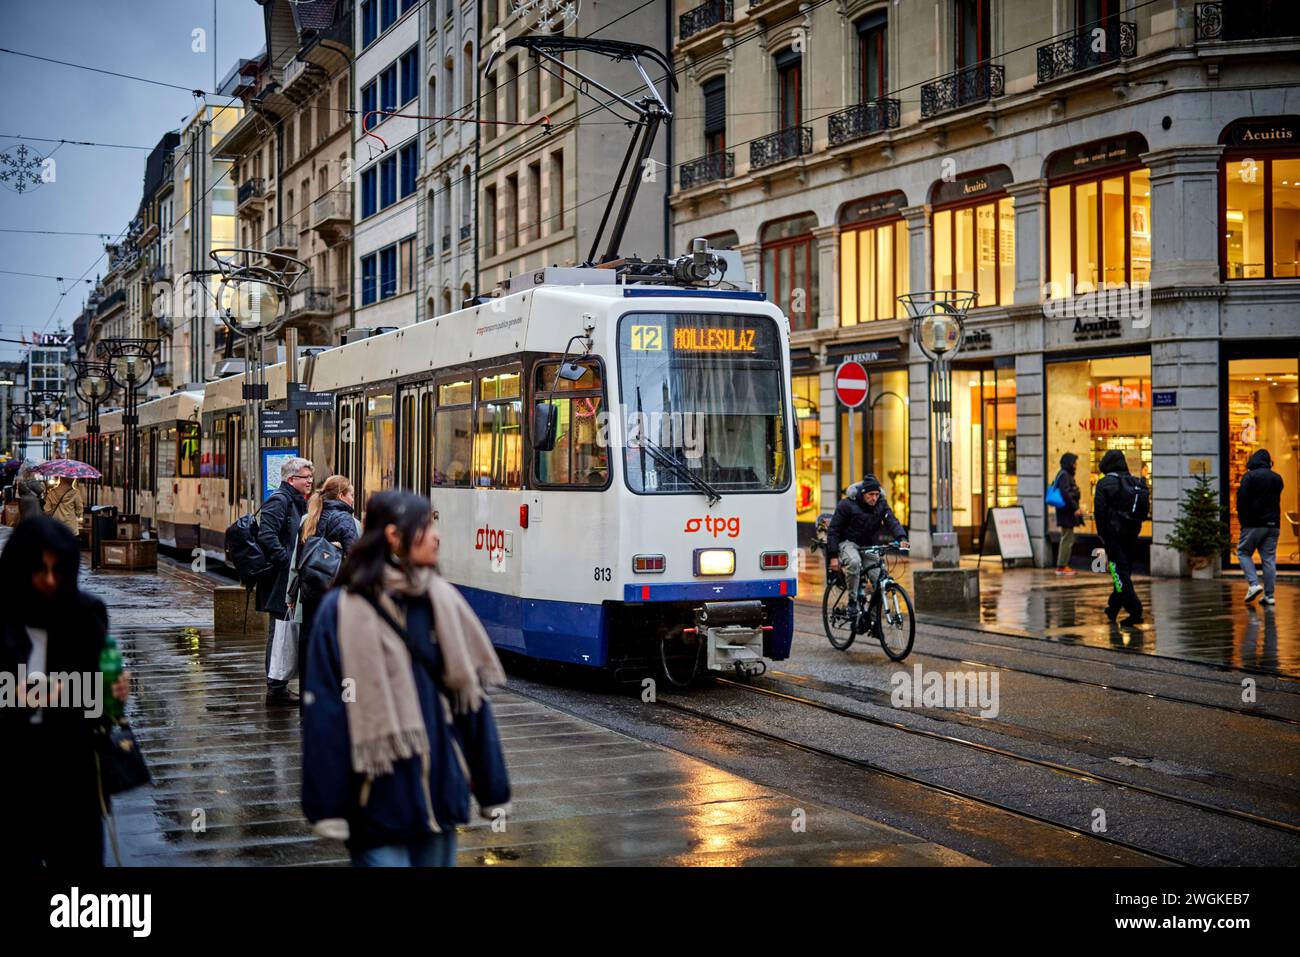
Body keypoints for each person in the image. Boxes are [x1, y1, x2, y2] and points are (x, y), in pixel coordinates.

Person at [302, 490, 510, 867]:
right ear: (395, 537)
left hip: (439, 796)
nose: (436, 535)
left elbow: (471, 704)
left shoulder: (442, 601)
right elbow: (325, 712)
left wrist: (493, 788)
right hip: (374, 799)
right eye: (425, 526)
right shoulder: (341, 610)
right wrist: (327, 804)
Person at [0, 517, 131, 867]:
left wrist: (113, 692)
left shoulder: (85, 614)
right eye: (39, 569)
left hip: (73, 776)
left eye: (58, 570)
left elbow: (96, 698)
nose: (49, 580)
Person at [286, 474, 361, 677]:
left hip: (309, 593)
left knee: (310, 646)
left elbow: (298, 561)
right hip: (334, 594)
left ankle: (307, 701)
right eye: (351, 494)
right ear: (341, 495)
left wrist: (291, 596)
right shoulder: (347, 520)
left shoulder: (309, 518)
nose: (354, 499)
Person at [257, 456, 313, 704]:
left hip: (288, 577)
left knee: (285, 628)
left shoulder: (296, 501)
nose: (310, 481)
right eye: (305, 477)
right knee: (278, 630)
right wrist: (288, 562)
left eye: (311, 477)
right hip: (279, 579)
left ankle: (279, 684)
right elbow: (266, 536)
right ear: (291, 479)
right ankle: (275, 687)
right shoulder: (279, 501)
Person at [827, 473, 909, 616]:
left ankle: (873, 618)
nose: (874, 498)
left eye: (877, 494)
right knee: (854, 562)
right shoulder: (846, 505)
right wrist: (833, 556)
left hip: (869, 545)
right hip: (848, 543)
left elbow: (891, 521)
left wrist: (902, 537)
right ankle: (852, 602)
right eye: (871, 494)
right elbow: (833, 530)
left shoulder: (881, 505)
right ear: (863, 493)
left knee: (879, 577)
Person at [1094, 449, 1145, 625]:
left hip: (1113, 536)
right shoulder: (1134, 481)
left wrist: (1102, 535)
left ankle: (1135, 610)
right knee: (1124, 572)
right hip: (1132, 533)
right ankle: (1113, 607)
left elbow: (1099, 513)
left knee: (1118, 572)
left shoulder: (1104, 484)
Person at [1236, 448, 1283, 606]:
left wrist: (1243, 521)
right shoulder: (1277, 478)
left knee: (1243, 552)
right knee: (1269, 559)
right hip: (1273, 524)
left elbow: (1241, 500)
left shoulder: (1249, 476)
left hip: (1253, 523)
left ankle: (1253, 584)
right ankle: (1269, 596)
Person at [1051, 452, 1084, 576]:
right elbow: (1066, 493)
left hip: (1065, 511)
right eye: (1074, 463)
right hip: (1066, 512)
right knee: (1067, 538)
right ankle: (1061, 566)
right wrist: (1075, 507)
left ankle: (1063, 565)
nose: (1076, 465)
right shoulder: (1065, 475)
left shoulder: (1064, 474)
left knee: (1067, 537)